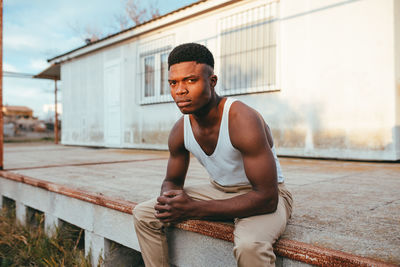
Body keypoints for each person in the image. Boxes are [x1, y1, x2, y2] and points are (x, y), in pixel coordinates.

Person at [133, 43, 293, 267]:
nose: (180, 90)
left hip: (266, 195)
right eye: (173, 83)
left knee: (249, 246)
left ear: (212, 81)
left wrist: (193, 208)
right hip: (220, 191)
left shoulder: (241, 119)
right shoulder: (180, 129)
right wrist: (170, 199)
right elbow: (172, 180)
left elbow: (267, 198)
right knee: (143, 213)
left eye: (191, 80)